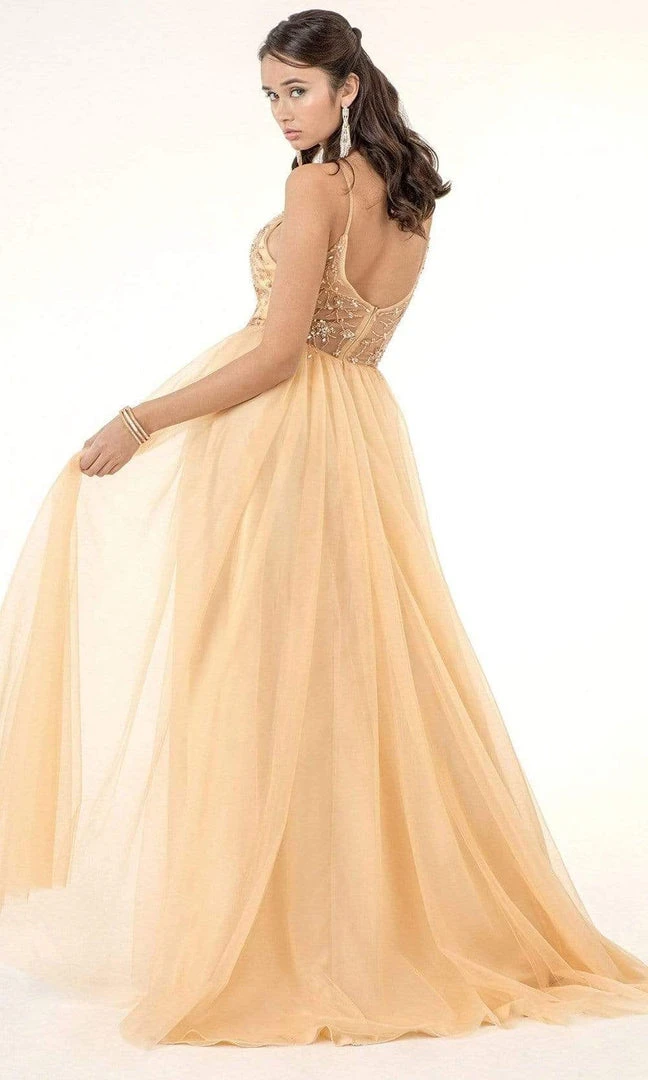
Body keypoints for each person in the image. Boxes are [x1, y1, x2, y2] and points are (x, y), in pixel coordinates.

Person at [0, 9, 647, 1052]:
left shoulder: (317, 187)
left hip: (283, 444)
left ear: (348, 87)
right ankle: (339, 927)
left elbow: (276, 355)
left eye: (296, 90)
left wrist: (140, 419)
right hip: (358, 433)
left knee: (256, 678)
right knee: (347, 679)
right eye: (269, 95)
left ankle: (281, 944)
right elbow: (350, 342)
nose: (280, 113)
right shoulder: (410, 192)